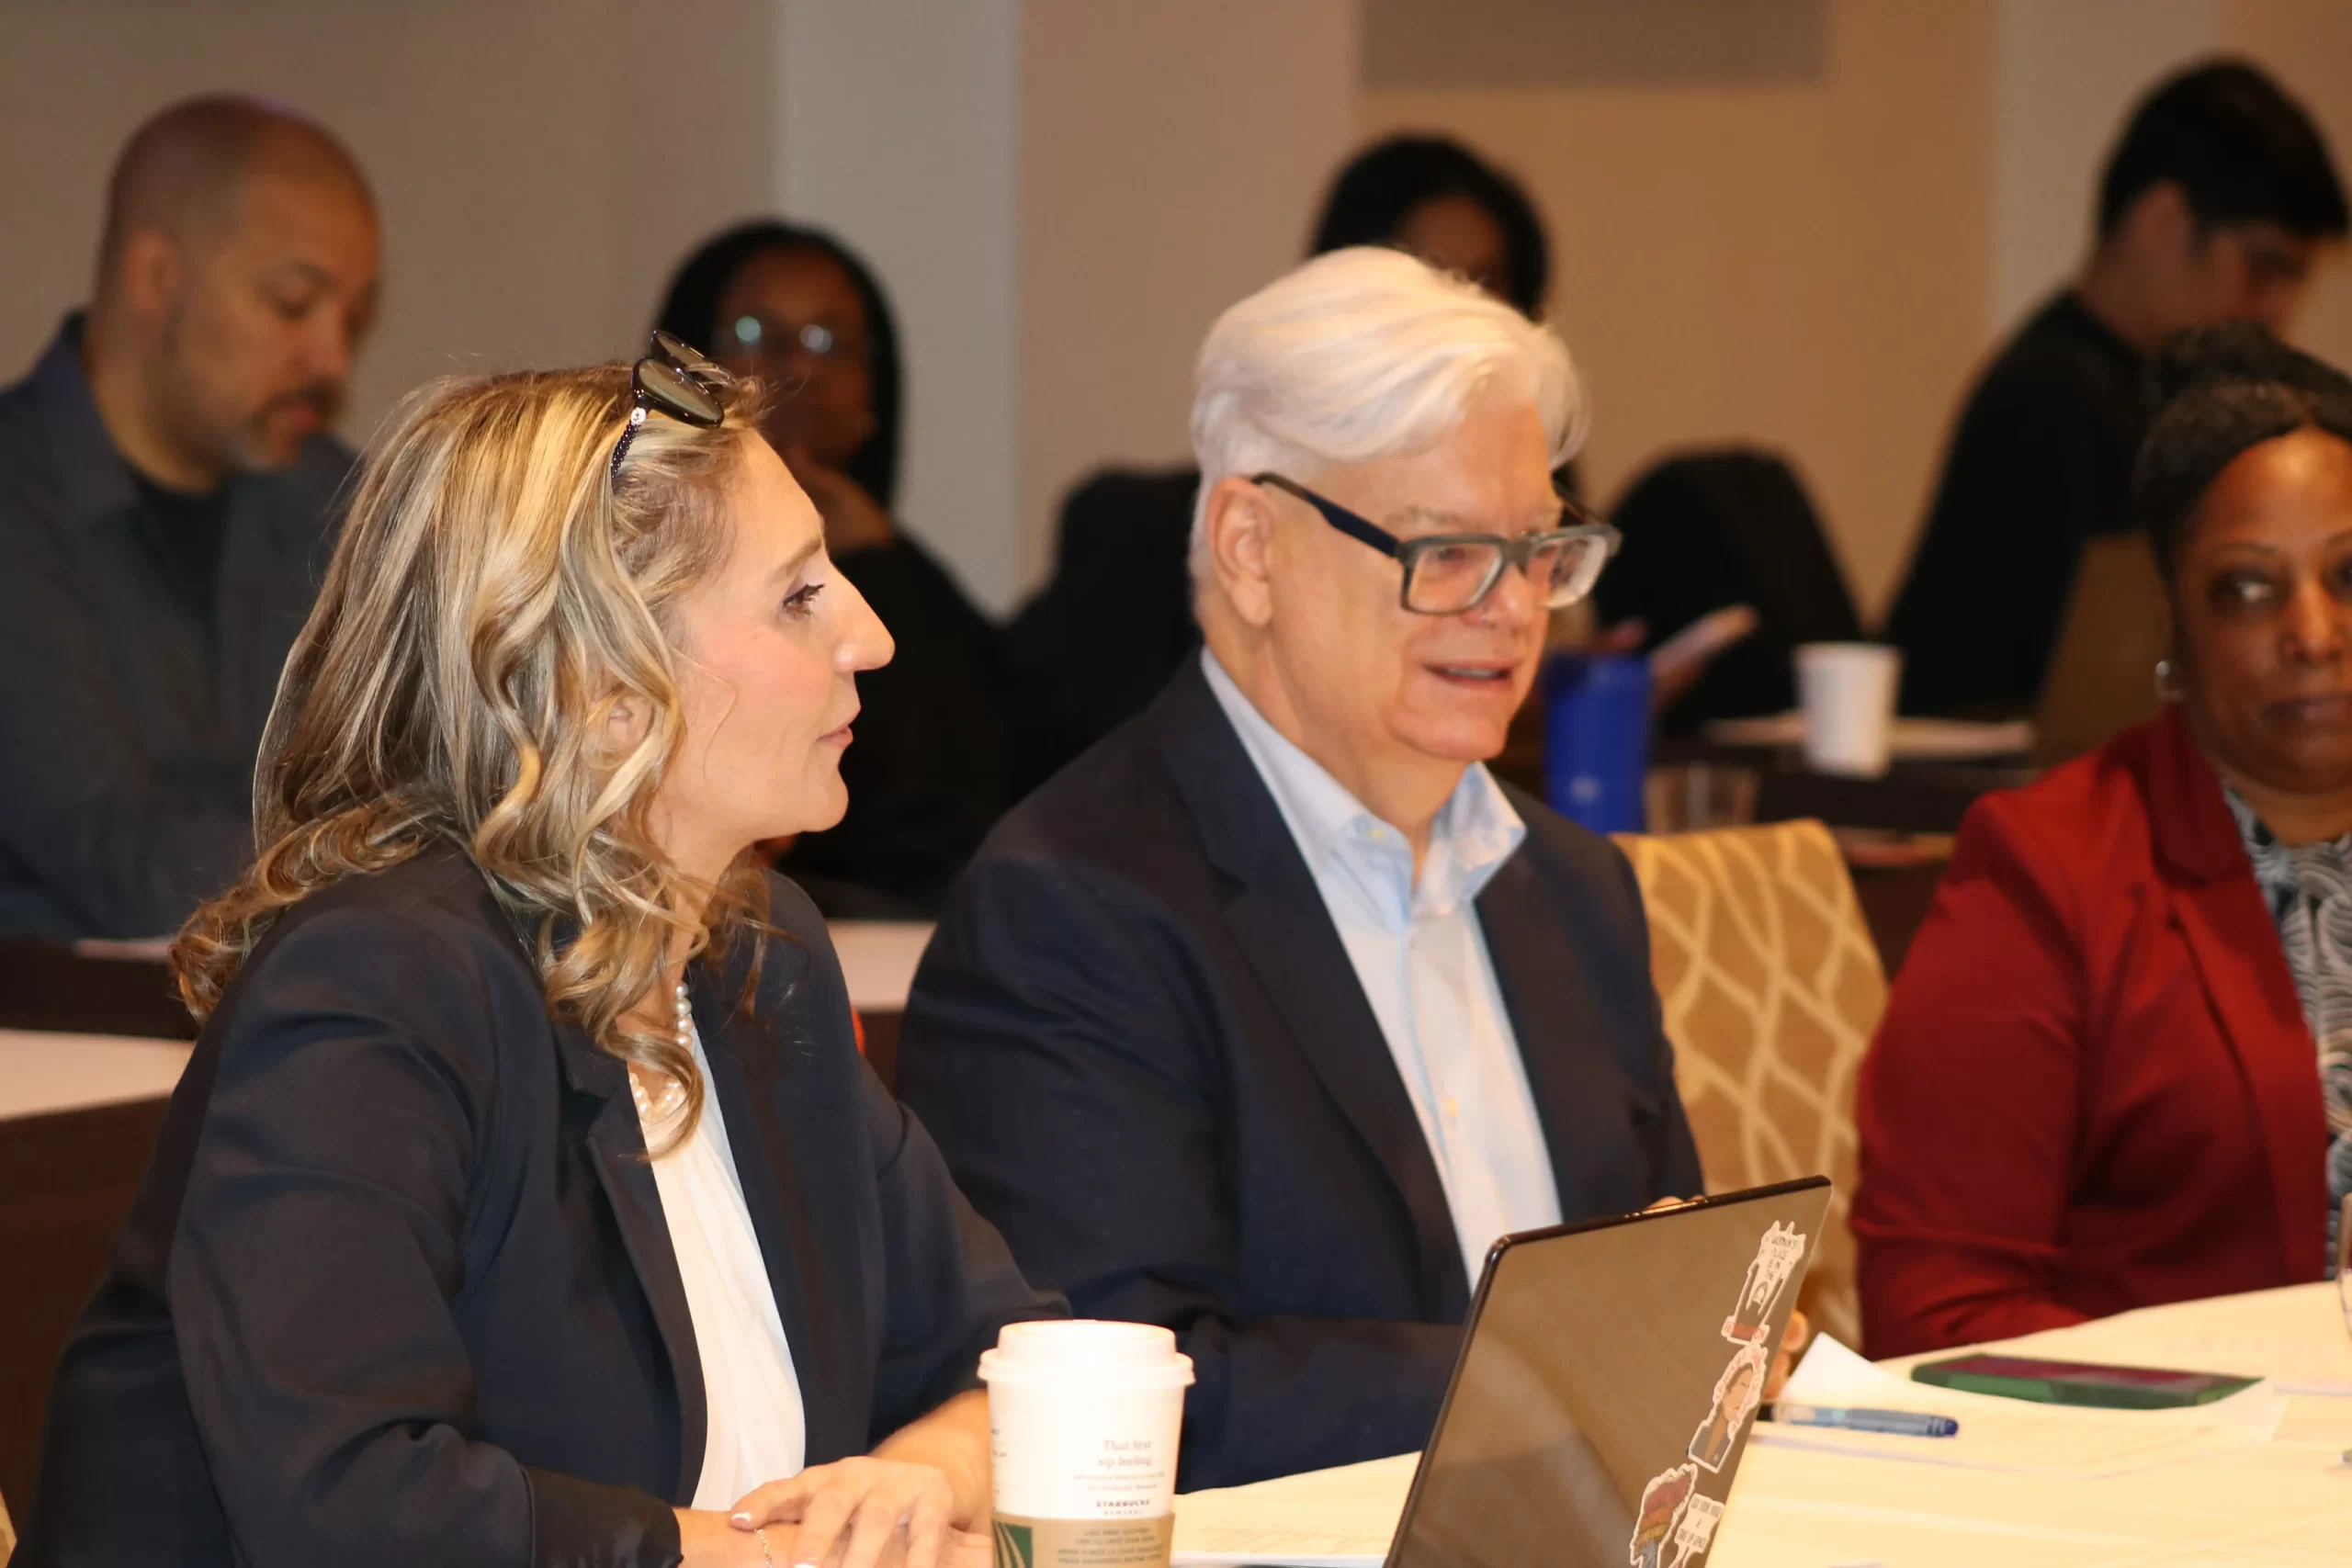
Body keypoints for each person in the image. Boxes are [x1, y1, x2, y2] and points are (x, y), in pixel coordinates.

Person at [16, 344, 1052, 1567]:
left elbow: (1015, 1359)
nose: (870, 636)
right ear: (606, 688)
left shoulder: (758, 958)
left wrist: (916, 1477)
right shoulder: (376, 988)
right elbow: (346, 1497)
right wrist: (749, 1555)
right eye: (797, 597)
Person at [897, 250, 1704, 1489]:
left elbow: (1664, 1299)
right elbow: (1124, 1388)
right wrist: (1562, 1369)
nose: (1511, 608)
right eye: (1447, 550)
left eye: (1541, 549)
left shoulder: (1575, 888)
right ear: (1251, 549)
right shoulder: (1073, 907)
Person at [1854, 325, 2352, 1359]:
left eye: (2348, 576)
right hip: (2181, 1445)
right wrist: (2240, 1406)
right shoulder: (2048, 868)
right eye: (2247, 588)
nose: (2313, 634)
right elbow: (1940, 1314)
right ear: (2170, 620)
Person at [1012, 135, 1558, 751]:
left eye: (1484, 284)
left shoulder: (1535, 465)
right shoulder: (1140, 538)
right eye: (1446, 551)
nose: (1513, 606)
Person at [0, 95, 379, 938]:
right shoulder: (18, 499)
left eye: (351, 319)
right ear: (156, 280)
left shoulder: (340, 498)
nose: (332, 359)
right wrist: (376, 872)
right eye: (293, 304)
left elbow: (411, 775)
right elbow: (108, 845)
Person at [1886, 59, 2346, 716]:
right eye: (2263, 266)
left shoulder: (2122, 390)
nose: (2276, 307)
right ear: (2164, 221)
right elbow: (2112, 673)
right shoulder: (2051, 399)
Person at [654, 222, 1069, 916]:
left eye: (829, 341)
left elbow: (947, 819)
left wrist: (877, 564)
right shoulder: (635, 573)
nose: (795, 364)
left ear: (873, 393)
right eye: (755, 332)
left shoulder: (920, 590)